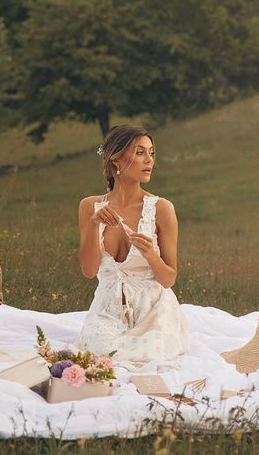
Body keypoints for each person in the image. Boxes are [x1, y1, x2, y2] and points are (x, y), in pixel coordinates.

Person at [75, 124, 188, 369]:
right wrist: (94, 225)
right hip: (108, 308)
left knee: (146, 359)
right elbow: (89, 271)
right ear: (116, 160)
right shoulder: (89, 207)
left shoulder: (161, 209)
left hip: (154, 310)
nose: (149, 160)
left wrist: (150, 254)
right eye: (140, 152)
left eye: (151, 153)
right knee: (101, 356)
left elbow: (168, 279)